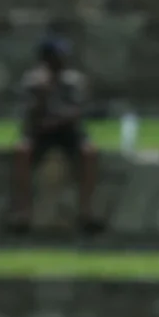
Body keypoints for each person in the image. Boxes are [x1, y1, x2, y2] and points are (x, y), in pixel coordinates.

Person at [12, 37, 103, 235]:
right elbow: (29, 114)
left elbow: (77, 112)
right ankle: (23, 212)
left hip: (67, 131)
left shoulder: (75, 81)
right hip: (40, 132)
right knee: (22, 151)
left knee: (89, 152)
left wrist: (54, 121)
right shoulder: (31, 82)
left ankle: (86, 212)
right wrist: (43, 96)